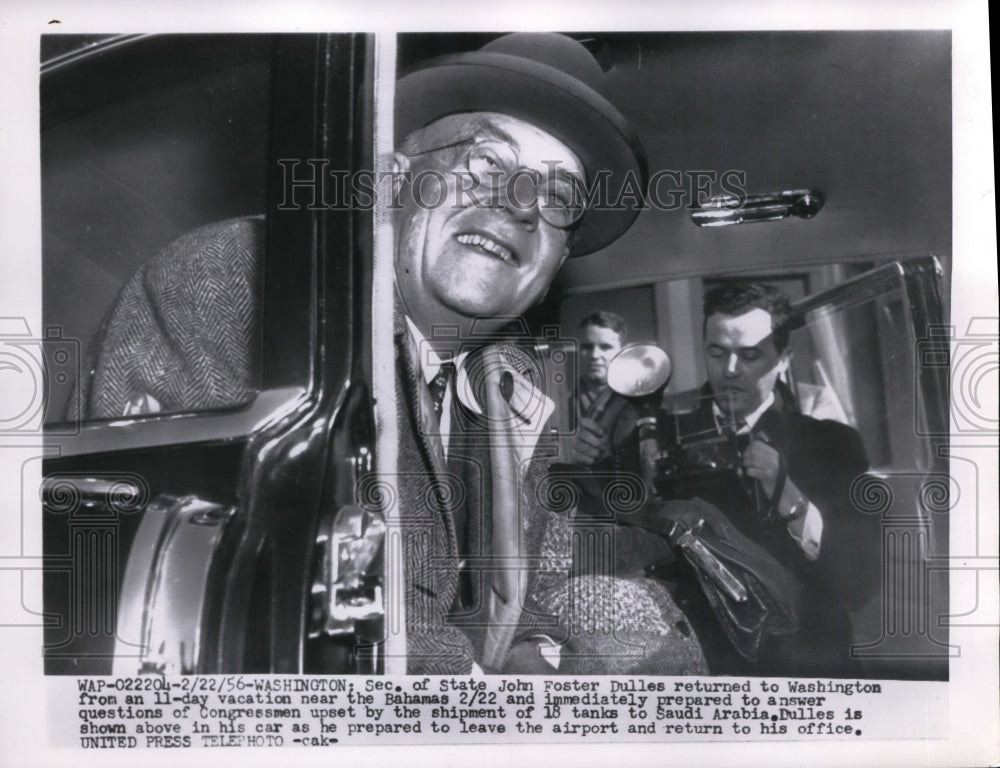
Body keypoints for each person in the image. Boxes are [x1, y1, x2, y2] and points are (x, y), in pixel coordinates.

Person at [76, 33, 707, 676]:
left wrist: (533, 653)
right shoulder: (254, 285)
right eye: (487, 164)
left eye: (558, 198)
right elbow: (243, 586)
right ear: (394, 183)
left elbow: (526, 594)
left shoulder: (519, 399)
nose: (522, 208)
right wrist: (476, 685)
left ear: (556, 260)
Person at [630, 281, 881, 676]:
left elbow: (860, 583)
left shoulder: (834, 445)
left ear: (784, 359)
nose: (729, 372)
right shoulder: (655, 436)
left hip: (808, 662)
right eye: (716, 353)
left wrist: (788, 496)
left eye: (749, 355)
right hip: (703, 662)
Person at [568, 310, 635, 467]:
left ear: (623, 351)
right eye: (587, 347)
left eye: (605, 347)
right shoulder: (559, 407)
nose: (595, 355)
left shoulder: (640, 403)